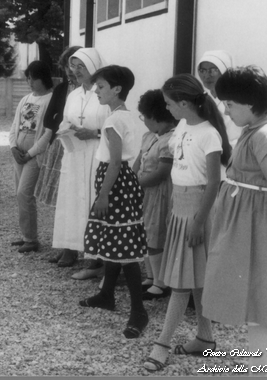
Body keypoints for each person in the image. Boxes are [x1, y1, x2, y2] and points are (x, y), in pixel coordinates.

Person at [202, 66, 267, 370]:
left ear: (250, 104)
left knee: (261, 297)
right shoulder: (253, 131)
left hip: (257, 225)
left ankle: (261, 368)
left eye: (229, 104)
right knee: (250, 294)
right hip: (243, 222)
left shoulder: (264, 137)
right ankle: (258, 364)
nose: (225, 112)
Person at [143, 74, 230, 372]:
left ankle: (162, 345)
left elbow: (213, 182)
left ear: (183, 102)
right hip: (179, 208)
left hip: (198, 213)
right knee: (194, 278)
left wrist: (198, 222)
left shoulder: (209, 134)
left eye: (169, 103)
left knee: (180, 283)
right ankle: (205, 339)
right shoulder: (181, 125)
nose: (166, 109)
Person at [78, 66, 148, 339]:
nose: (96, 91)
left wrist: (104, 193)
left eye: (101, 87)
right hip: (123, 180)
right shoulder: (127, 117)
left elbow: (116, 162)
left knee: (124, 248)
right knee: (114, 241)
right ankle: (106, 294)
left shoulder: (112, 122)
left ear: (117, 89)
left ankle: (138, 311)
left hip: (114, 182)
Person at [51, 48, 109, 272]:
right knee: (72, 200)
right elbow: (66, 120)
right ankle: (71, 246)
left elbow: (116, 125)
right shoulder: (74, 95)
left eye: (81, 66)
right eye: (73, 66)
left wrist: (94, 133)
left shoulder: (103, 93)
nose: (75, 71)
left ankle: (95, 253)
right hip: (75, 154)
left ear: (93, 67)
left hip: (97, 152)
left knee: (92, 199)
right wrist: (67, 130)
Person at [134, 90, 176, 300]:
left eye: (145, 117)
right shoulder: (149, 136)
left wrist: (135, 185)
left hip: (158, 194)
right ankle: (150, 277)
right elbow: (139, 161)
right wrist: (130, 181)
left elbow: (161, 173)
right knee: (145, 235)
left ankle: (161, 283)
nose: (144, 121)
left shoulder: (170, 140)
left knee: (155, 235)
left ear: (156, 117)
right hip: (144, 192)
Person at [9, 60, 54, 254]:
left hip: (34, 155)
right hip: (19, 151)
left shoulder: (51, 100)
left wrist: (30, 153)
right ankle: (27, 235)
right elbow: (14, 124)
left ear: (43, 78)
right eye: (28, 78)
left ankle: (31, 239)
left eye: (32, 78)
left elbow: (49, 133)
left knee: (24, 193)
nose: (29, 82)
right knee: (20, 195)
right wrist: (12, 146)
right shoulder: (26, 98)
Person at [36, 46, 81, 229]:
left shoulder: (93, 90)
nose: (69, 72)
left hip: (83, 145)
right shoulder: (62, 88)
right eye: (67, 68)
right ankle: (65, 240)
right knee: (62, 196)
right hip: (63, 144)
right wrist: (64, 126)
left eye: (74, 67)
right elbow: (48, 118)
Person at [197, 51, 241, 145]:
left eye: (213, 70)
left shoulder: (234, 101)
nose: (207, 76)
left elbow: (235, 138)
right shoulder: (200, 100)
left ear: (224, 70)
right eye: (202, 71)